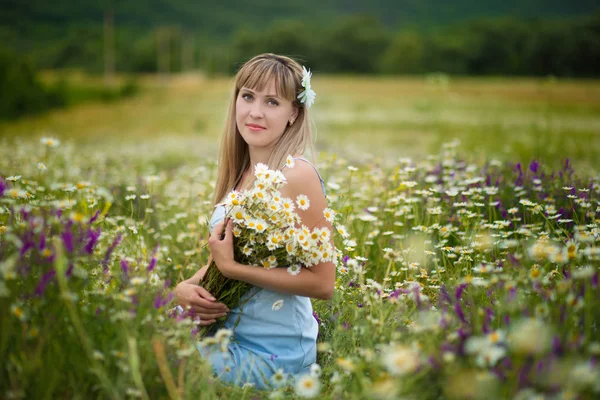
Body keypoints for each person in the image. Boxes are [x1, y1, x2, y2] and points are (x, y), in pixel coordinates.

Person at [174, 53, 336, 390]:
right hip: (226, 331)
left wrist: (235, 272)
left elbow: (323, 284)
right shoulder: (239, 174)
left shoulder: (298, 174)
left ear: (294, 113)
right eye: (247, 96)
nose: (255, 112)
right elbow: (225, 259)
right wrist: (185, 287)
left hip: (275, 355)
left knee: (163, 358)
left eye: (272, 102)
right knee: (146, 337)